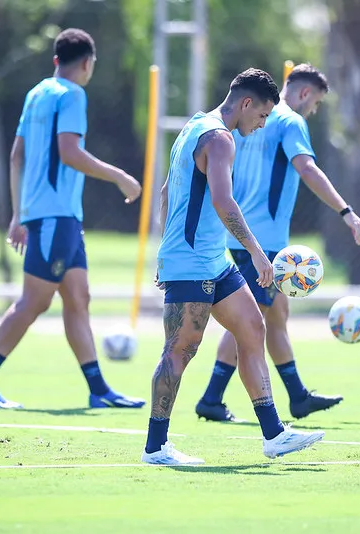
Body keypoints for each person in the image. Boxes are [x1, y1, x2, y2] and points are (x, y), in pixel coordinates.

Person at [142, 68, 325, 465]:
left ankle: (274, 434)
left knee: (252, 326)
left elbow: (166, 191)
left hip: (212, 258)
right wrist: (259, 254)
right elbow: (224, 202)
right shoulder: (220, 139)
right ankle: (155, 446)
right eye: (261, 116)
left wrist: (163, 247)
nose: (261, 125)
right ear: (245, 104)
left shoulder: (194, 125)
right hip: (191, 260)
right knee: (181, 348)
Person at [0, 29, 145, 410]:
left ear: (55, 61)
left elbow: (17, 156)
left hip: (56, 218)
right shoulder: (73, 94)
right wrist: (119, 176)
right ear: (87, 63)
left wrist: (19, 214)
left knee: (78, 298)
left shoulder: (37, 93)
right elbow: (69, 153)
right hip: (56, 218)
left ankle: (99, 390)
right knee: (33, 303)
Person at [194, 64, 360, 423]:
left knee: (276, 315)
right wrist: (346, 211)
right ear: (304, 93)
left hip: (241, 234)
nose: (313, 110)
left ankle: (297, 395)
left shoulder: (247, 117)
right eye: (316, 102)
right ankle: (212, 397)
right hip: (264, 241)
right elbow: (307, 169)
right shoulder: (290, 121)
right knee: (249, 317)